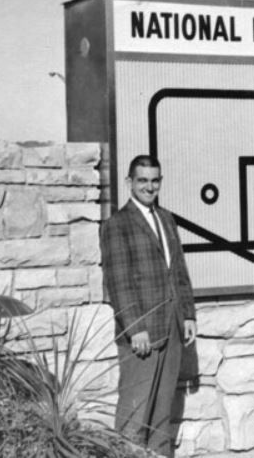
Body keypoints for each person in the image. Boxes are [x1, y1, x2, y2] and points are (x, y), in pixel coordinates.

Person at [100, 154, 197, 457]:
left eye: (155, 180)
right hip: (142, 333)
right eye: (142, 180)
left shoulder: (166, 218)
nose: (149, 186)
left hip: (171, 326)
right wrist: (135, 328)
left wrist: (188, 315)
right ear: (130, 182)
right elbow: (119, 281)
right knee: (135, 414)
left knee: (161, 416)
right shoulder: (118, 224)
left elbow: (178, 271)